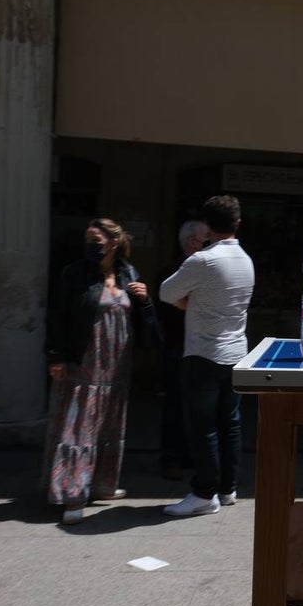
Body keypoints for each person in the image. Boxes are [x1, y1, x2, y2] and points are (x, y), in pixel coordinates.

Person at [44, 218, 158, 525]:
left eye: (96, 239)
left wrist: (144, 300)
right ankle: (73, 493)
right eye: (88, 239)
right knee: (79, 428)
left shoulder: (128, 273)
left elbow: (144, 317)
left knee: (109, 427)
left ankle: (101, 485)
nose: (90, 245)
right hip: (84, 364)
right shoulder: (74, 274)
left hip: (117, 367)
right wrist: (56, 356)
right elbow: (57, 316)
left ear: (113, 243)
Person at [161, 195, 255, 517]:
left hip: (203, 353)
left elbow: (165, 292)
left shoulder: (203, 260)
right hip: (236, 353)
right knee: (230, 424)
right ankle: (228, 488)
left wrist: (189, 303)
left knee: (202, 427)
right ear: (237, 223)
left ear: (206, 226)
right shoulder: (246, 259)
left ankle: (204, 492)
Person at [156, 219, 211, 480]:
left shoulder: (204, 268)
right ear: (192, 242)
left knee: (195, 407)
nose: (210, 245)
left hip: (198, 348)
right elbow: (169, 303)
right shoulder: (176, 269)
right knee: (176, 406)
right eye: (206, 240)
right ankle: (172, 459)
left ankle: (189, 456)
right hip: (179, 347)